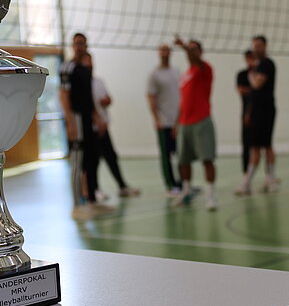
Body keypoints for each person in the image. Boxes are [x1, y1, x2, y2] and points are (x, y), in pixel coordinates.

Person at [59, 33, 113, 219]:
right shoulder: (68, 66)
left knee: (91, 160)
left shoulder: (85, 67)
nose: (79, 47)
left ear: (86, 45)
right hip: (77, 119)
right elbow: (64, 95)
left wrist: (97, 116)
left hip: (89, 121)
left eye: (82, 43)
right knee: (78, 162)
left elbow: (88, 96)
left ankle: (92, 201)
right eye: (76, 44)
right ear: (73, 46)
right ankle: (76, 206)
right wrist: (70, 122)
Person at [81, 53, 140, 199]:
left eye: (91, 61)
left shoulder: (99, 82)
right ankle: (94, 190)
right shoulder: (81, 84)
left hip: (103, 127)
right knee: (92, 161)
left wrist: (106, 102)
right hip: (90, 129)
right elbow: (85, 107)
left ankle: (122, 186)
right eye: (86, 62)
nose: (89, 64)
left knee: (111, 157)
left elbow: (109, 99)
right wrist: (96, 121)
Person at [173, 36, 217, 211]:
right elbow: (182, 102)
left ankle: (210, 196)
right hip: (184, 124)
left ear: (200, 52)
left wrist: (183, 45)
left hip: (201, 121)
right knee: (183, 161)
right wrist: (177, 123)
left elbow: (196, 59)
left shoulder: (204, 68)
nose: (190, 52)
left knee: (207, 159)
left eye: (194, 49)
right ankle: (186, 191)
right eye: (189, 49)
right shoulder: (185, 75)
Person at [236, 35, 279, 195]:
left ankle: (269, 179)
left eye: (259, 45)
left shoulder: (267, 64)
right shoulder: (258, 66)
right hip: (256, 112)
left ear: (265, 46)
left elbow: (256, 84)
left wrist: (251, 75)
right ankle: (250, 182)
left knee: (265, 146)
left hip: (266, 110)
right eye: (254, 46)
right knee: (255, 147)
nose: (256, 48)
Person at [147, 44, 182, 197]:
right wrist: (156, 119)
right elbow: (151, 97)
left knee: (181, 154)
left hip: (178, 121)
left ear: (170, 53)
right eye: (161, 50)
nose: (164, 53)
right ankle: (170, 185)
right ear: (158, 53)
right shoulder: (154, 75)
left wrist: (180, 120)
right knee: (166, 154)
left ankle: (183, 183)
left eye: (167, 50)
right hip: (164, 121)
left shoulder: (176, 72)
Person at [235, 50, 257, 177]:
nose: (250, 60)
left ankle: (268, 176)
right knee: (246, 144)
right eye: (248, 58)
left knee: (261, 145)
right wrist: (254, 90)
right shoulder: (242, 74)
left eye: (252, 58)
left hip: (259, 112)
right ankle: (245, 174)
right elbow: (241, 90)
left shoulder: (260, 72)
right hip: (246, 112)